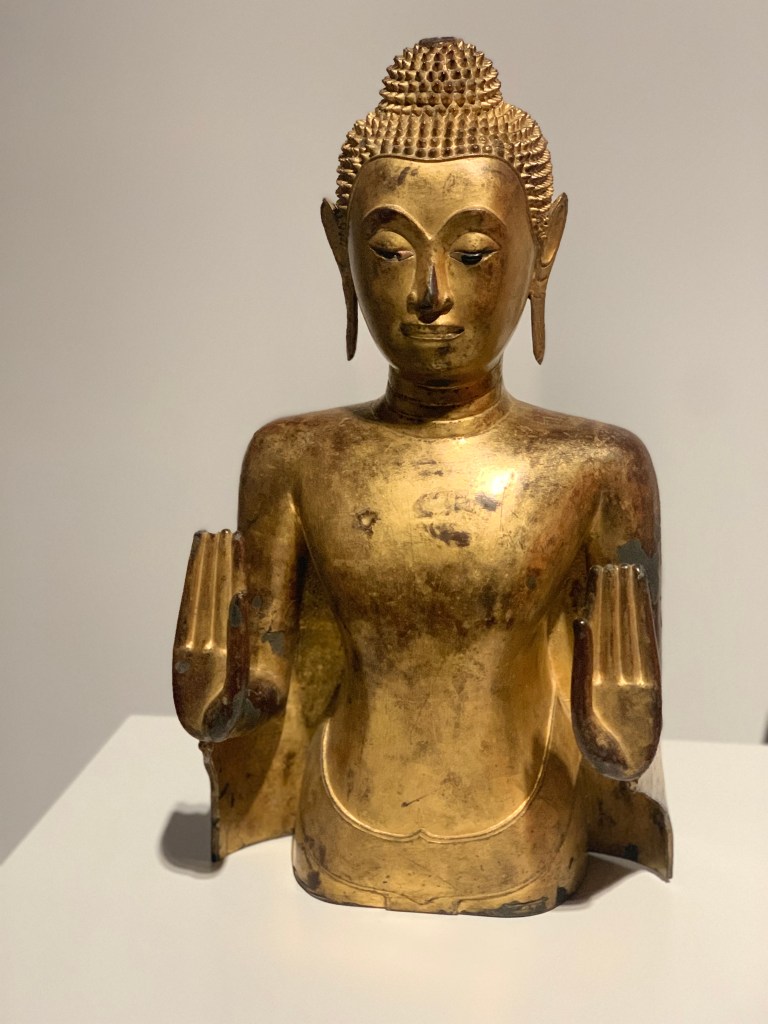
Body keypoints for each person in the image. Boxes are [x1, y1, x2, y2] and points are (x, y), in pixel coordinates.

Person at [172, 38, 671, 916]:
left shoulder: (597, 469)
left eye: (473, 252)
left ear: (544, 248)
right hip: (340, 828)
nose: (431, 292)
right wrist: (217, 694)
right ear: (341, 254)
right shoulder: (293, 458)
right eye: (391, 250)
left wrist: (620, 737)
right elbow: (268, 688)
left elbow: (615, 725)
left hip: (526, 834)